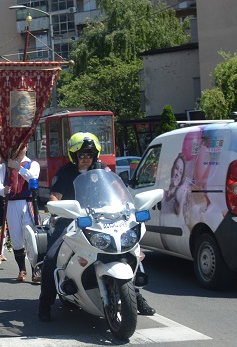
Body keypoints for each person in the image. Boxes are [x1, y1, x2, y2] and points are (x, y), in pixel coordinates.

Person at [39, 133, 156, 321]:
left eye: (89, 154)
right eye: (82, 155)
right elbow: (55, 197)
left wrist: (130, 205)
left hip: (104, 218)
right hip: (71, 219)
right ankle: (45, 304)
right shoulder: (65, 172)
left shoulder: (102, 169)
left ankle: (136, 297)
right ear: (74, 155)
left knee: (128, 252)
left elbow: (119, 190)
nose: (86, 158)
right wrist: (57, 207)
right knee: (52, 258)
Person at [0, 146, 40, 283]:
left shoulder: (33, 164)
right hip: (12, 203)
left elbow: (33, 177)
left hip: (28, 202)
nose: (19, 150)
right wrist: (3, 190)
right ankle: (22, 269)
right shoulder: (4, 167)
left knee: (30, 236)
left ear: (26, 148)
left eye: (23, 147)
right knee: (16, 238)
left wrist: (18, 167)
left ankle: (35, 270)